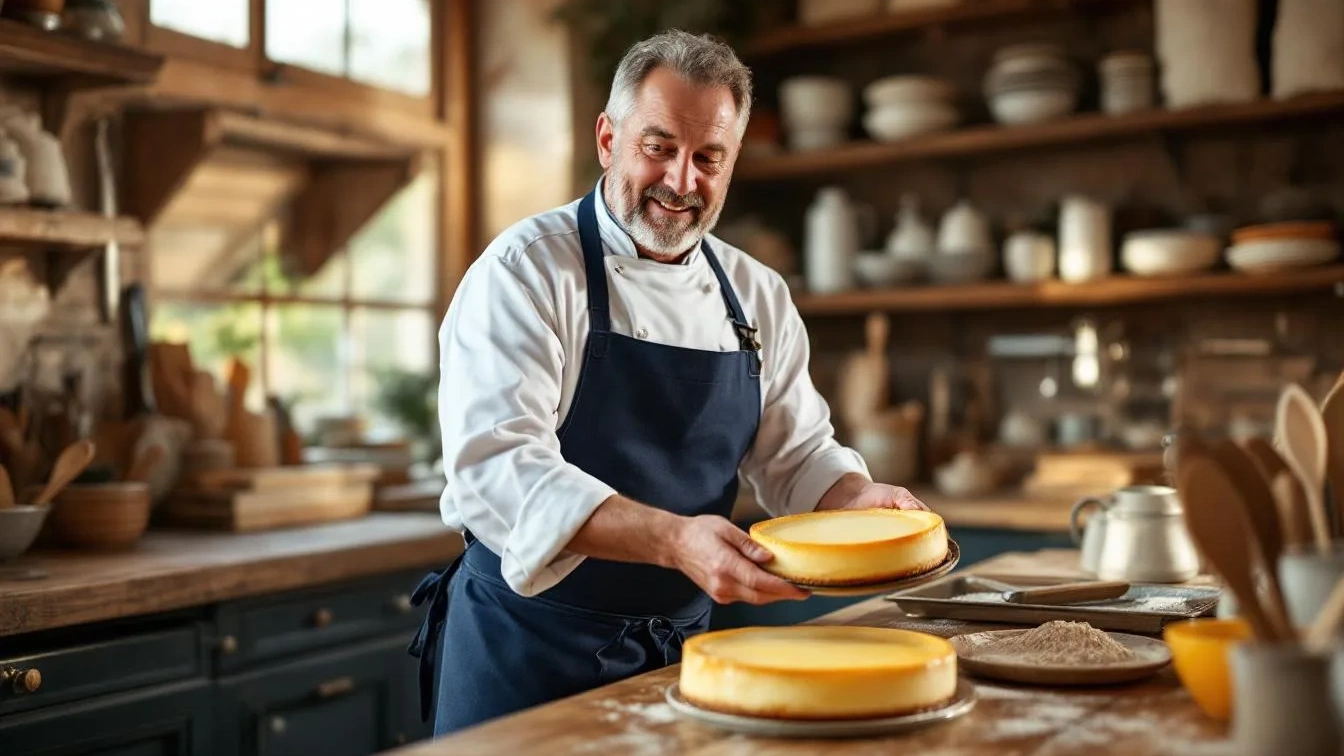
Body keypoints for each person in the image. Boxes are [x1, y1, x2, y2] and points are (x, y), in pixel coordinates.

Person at [407, 29, 927, 736]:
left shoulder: (757, 293)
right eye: (659, 148)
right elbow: (498, 469)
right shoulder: (525, 271)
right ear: (607, 139)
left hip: (684, 664)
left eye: (708, 157)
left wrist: (856, 498)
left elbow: (797, 454)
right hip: (524, 656)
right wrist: (676, 541)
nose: (682, 182)